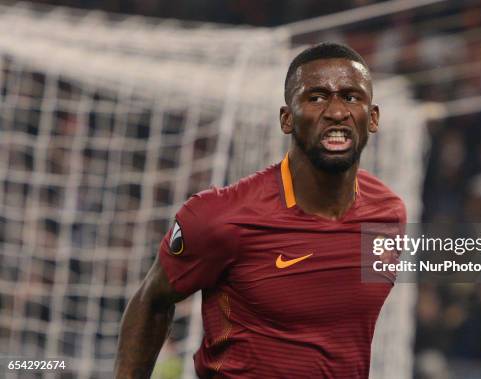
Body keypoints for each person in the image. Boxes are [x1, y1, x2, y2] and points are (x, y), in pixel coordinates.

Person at [114, 42, 406, 379]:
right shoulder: (220, 217)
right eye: (316, 97)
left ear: (372, 118)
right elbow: (151, 301)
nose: (336, 111)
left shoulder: (388, 214)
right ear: (286, 119)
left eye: (351, 97)